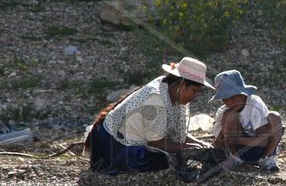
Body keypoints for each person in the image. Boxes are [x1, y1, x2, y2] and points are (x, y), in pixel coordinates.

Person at [85, 57, 214, 175]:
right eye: (194, 91)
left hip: (126, 141)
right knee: (161, 160)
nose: (195, 96)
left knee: (180, 155)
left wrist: (201, 144)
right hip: (112, 147)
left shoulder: (173, 94)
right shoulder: (155, 99)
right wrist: (191, 149)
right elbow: (156, 142)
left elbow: (177, 134)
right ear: (182, 84)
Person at [210, 70, 283, 172]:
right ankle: (234, 158)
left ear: (243, 93)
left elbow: (263, 141)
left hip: (262, 149)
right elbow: (219, 141)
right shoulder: (224, 111)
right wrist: (225, 139)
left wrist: (235, 139)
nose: (230, 102)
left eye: (233, 97)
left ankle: (268, 158)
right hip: (240, 150)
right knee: (229, 114)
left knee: (274, 116)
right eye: (225, 99)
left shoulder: (254, 103)